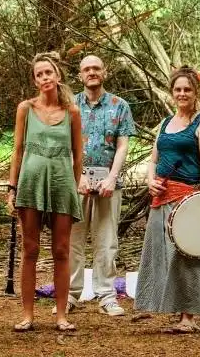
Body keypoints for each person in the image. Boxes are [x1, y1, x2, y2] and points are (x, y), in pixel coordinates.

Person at [136, 66, 200, 334]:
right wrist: (150, 180)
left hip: (187, 199)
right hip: (161, 200)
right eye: (178, 89)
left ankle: (189, 317)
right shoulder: (165, 123)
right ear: (172, 92)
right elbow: (154, 159)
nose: (182, 94)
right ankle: (171, 308)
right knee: (164, 256)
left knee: (187, 256)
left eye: (187, 89)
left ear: (196, 92)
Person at [7, 52, 85, 332]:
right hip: (30, 183)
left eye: (48, 73)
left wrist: (74, 187)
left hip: (62, 185)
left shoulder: (72, 111)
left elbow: (78, 155)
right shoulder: (25, 109)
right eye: (39, 74)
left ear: (57, 75)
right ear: (35, 80)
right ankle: (28, 315)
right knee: (30, 248)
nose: (44, 78)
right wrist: (11, 188)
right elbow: (17, 150)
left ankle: (62, 315)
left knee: (61, 250)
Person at [66, 55, 135, 316]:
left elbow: (123, 144)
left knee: (107, 241)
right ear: (80, 75)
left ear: (104, 72)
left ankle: (106, 295)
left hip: (109, 181)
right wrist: (77, 176)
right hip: (77, 182)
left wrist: (112, 177)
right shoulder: (69, 104)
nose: (92, 72)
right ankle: (71, 295)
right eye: (86, 69)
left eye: (96, 68)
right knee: (74, 239)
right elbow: (66, 144)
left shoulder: (120, 106)